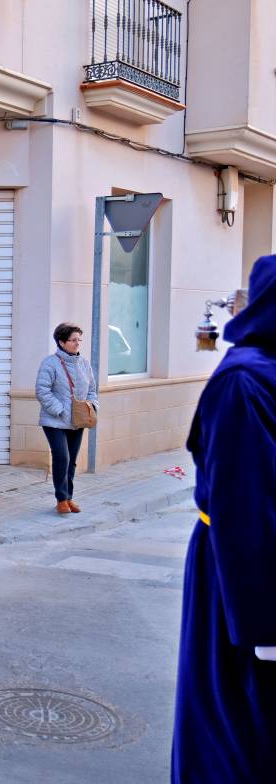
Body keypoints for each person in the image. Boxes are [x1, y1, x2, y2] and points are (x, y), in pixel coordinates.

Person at [172, 255, 276, 781]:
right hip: (242, 578)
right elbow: (245, 510)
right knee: (235, 721)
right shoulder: (243, 380)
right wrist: (262, 624)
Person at [34, 323, 98, 515]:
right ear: (61, 342)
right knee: (62, 457)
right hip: (55, 420)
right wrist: (59, 410)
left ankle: (69, 497)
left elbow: (92, 389)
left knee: (72, 460)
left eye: (79, 340)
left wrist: (91, 406)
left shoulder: (84, 363)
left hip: (78, 420)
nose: (77, 343)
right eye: (73, 340)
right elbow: (42, 390)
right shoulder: (50, 363)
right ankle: (61, 499)